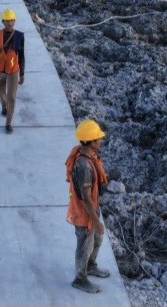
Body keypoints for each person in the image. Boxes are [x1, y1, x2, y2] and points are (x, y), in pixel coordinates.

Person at [66, 119, 112, 294]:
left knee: (97, 239)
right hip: (84, 213)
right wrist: (97, 221)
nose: (101, 140)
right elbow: (85, 198)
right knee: (84, 245)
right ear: (92, 142)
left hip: (92, 209)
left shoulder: (89, 155)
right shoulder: (84, 166)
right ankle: (80, 279)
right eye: (98, 138)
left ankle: (90, 266)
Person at [0, 8, 24, 134]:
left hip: (13, 70)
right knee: (1, 91)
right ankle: (4, 106)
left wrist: (22, 73)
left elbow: (21, 55)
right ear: (3, 21)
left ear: (14, 21)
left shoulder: (19, 36)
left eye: (11, 20)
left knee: (12, 98)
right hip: (0, 70)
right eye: (7, 21)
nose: (9, 23)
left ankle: (8, 123)